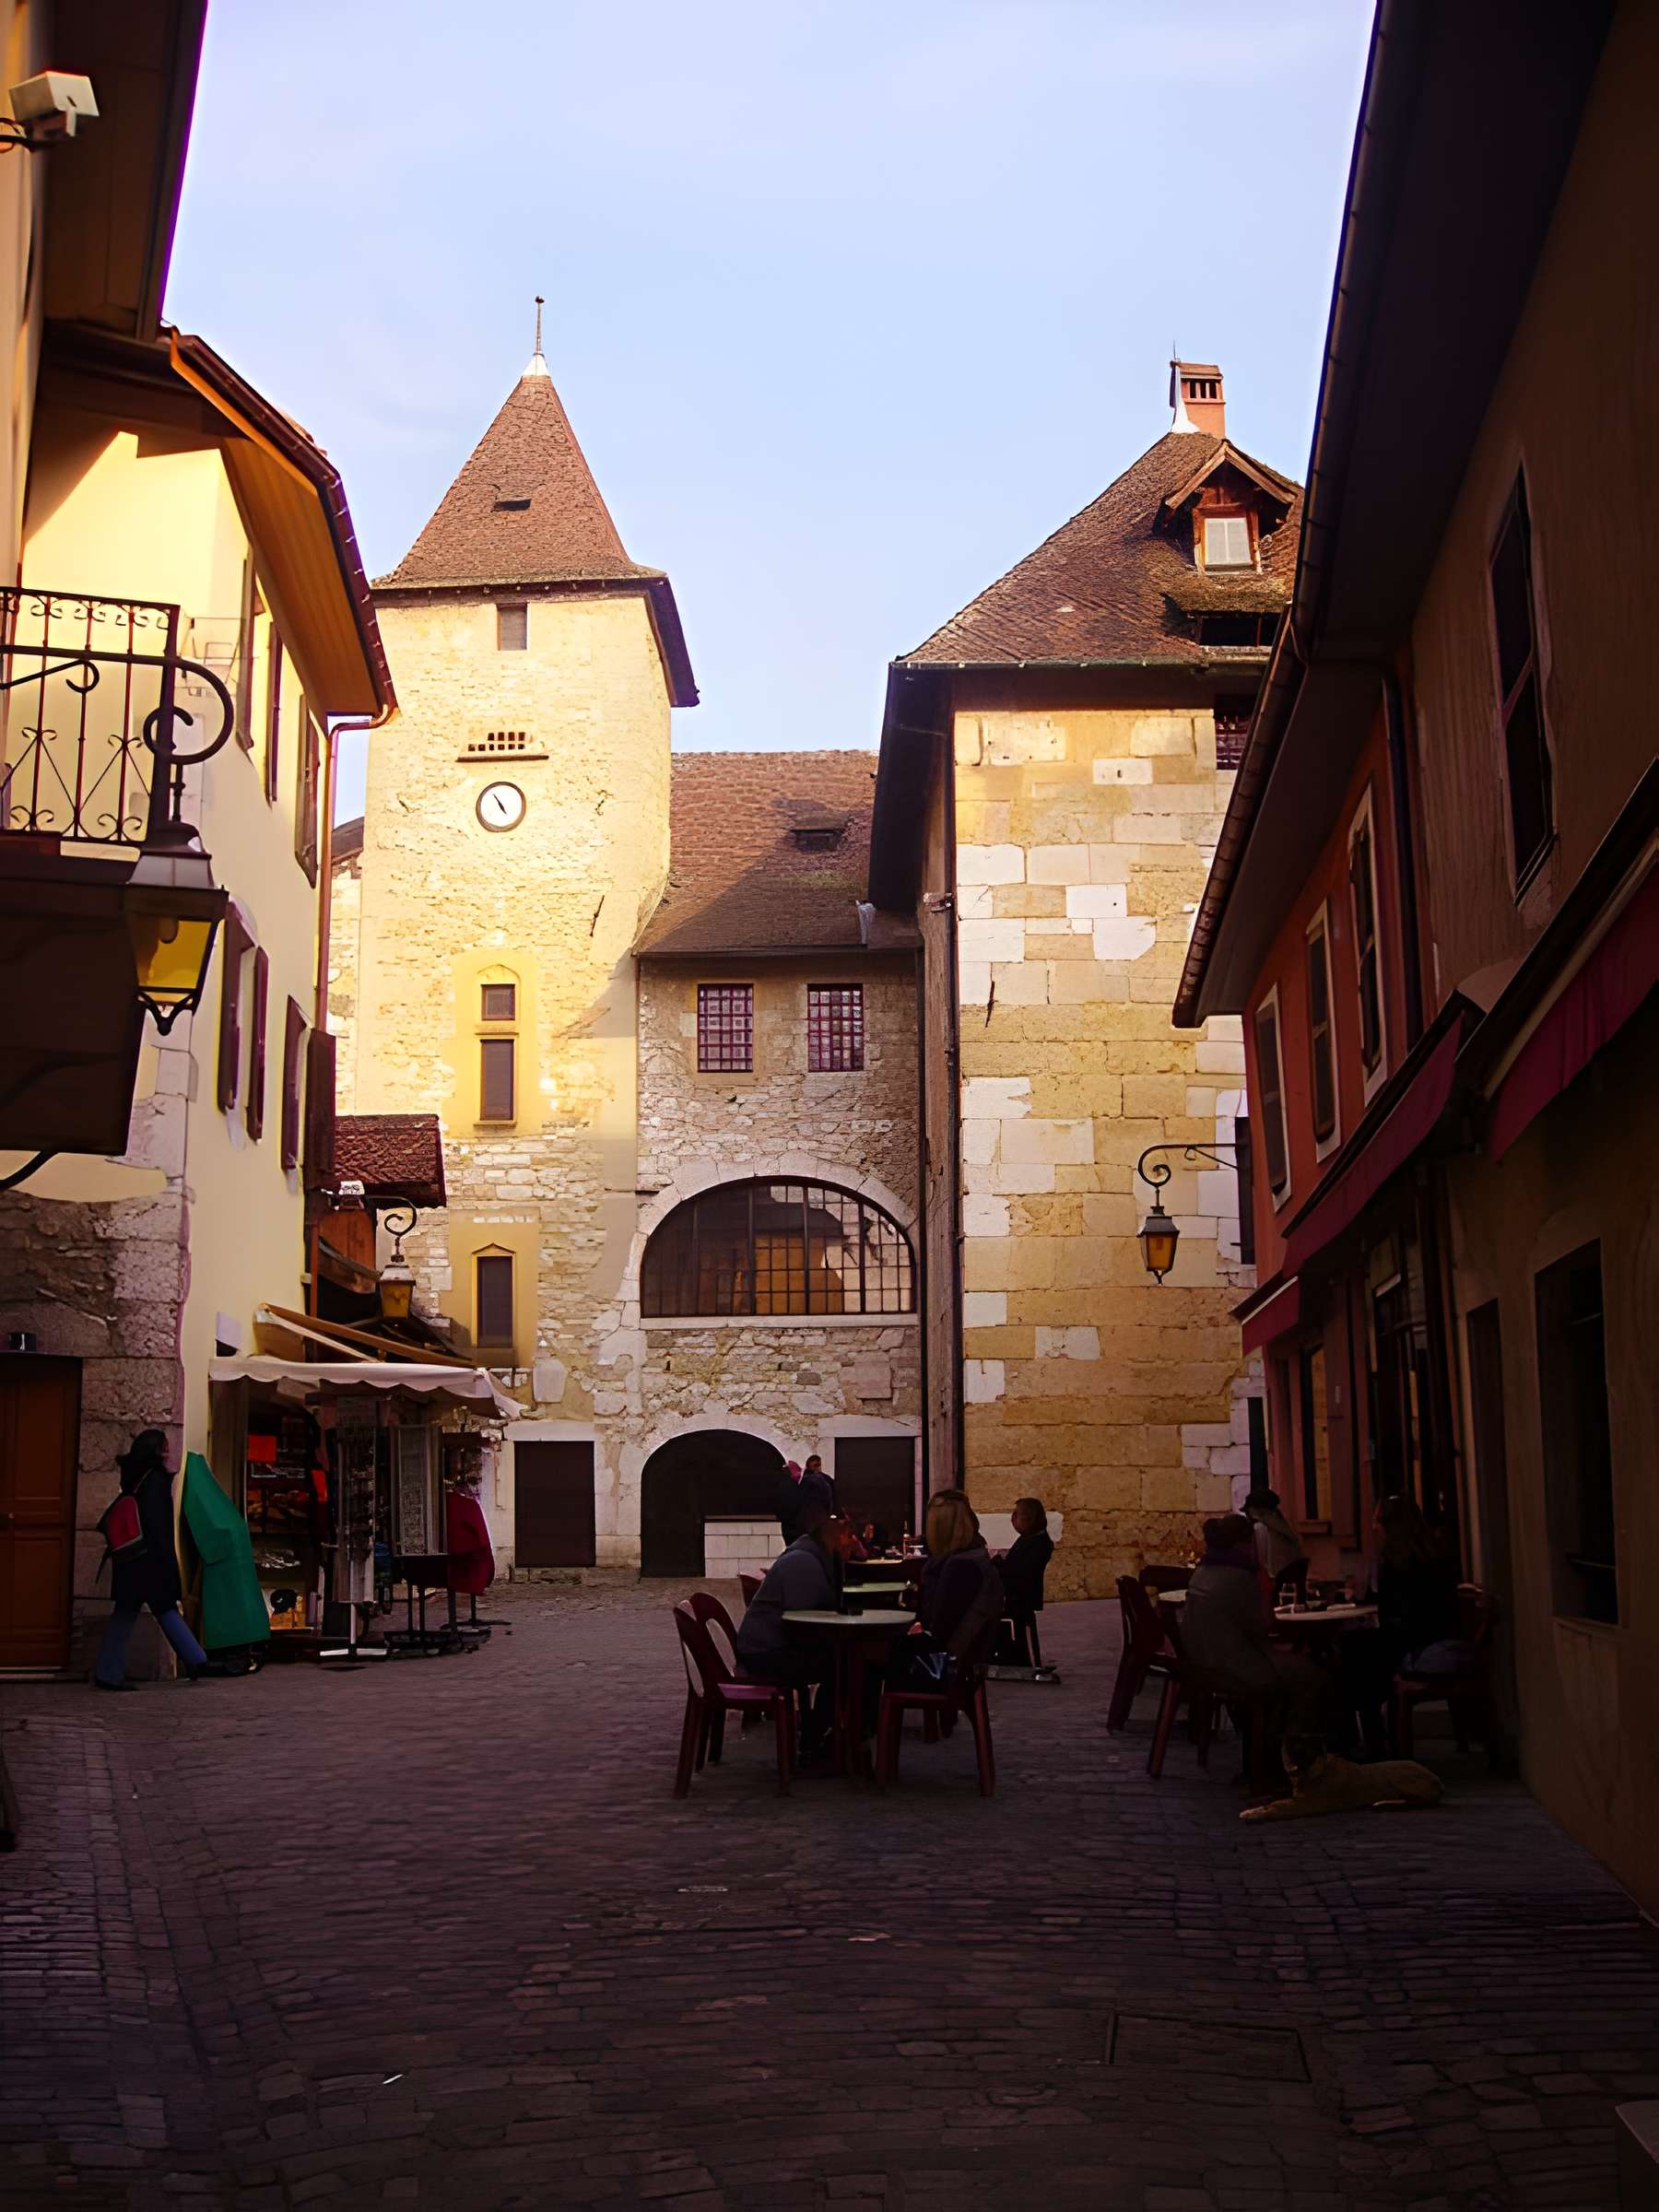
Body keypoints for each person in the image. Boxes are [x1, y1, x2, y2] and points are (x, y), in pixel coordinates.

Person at [1179, 1512, 1325, 1767]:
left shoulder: (1203, 1570)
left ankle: (1272, 1748)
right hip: (1238, 1669)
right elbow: (1265, 1625)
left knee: (1297, 1670)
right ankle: (1295, 1756)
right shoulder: (1240, 1575)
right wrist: (1263, 1582)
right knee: (1313, 1675)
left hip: (1205, 1665)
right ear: (1248, 1543)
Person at [94, 1430, 221, 1690]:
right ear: (157, 1451)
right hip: (150, 1562)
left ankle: (193, 1659)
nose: (169, 1451)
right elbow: (158, 1529)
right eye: (165, 1446)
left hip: (130, 1560)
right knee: (161, 1609)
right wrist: (168, 1565)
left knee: (133, 1613)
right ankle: (195, 1660)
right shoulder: (156, 1482)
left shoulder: (134, 1478)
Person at [735, 1494, 843, 1758]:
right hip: (766, 1654)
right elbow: (805, 1619)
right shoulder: (804, 1561)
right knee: (845, 1665)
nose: (850, 1541)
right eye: (846, 1535)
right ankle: (819, 1737)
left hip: (767, 1647)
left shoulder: (811, 1555)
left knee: (845, 1661)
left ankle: (826, 1732)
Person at [888, 1492, 1006, 1699]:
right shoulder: (975, 1556)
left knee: (866, 1658)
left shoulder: (958, 1567)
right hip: (965, 1660)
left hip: (944, 1666)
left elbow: (939, 1627)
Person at [994, 1497, 1053, 1664]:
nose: (1012, 1518)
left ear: (1030, 1518)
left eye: (1017, 1514)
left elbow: (1020, 1571)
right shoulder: (1029, 1538)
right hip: (1017, 1594)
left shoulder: (1038, 1543)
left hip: (1020, 1596)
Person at [1244, 1487, 1306, 1585]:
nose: (1248, 1516)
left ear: (1259, 1511)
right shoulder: (1283, 1526)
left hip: (1273, 1580)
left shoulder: (1261, 1529)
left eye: (1249, 1512)